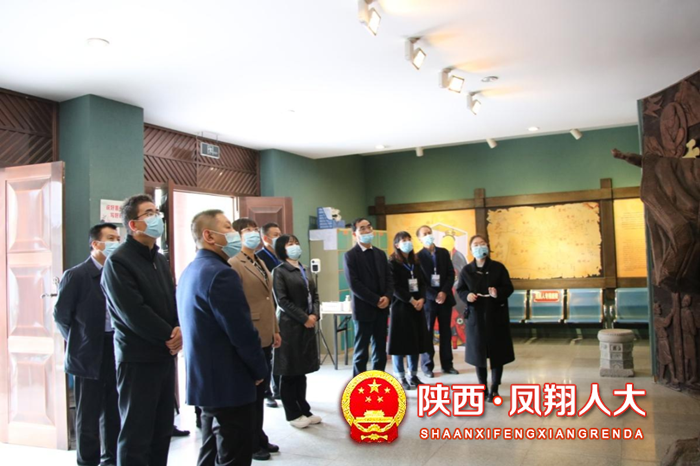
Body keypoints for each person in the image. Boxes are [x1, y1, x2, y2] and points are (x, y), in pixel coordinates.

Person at [177, 209, 268, 466]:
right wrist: (258, 368)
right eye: (228, 227)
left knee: (210, 448)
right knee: (233, 452)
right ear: (209, 235)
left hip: (206, 378)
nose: (234, 233)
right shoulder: (221, 274)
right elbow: (241, 331)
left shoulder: (192, 270)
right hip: (228, 380)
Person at [101, 194, 182, 466]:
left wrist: (178, 328)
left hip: (163, 356)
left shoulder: (159, 259)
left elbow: (172, 300)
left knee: (161, 430)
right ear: (133, 225)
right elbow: (133, 312)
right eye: (149, 213)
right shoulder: (118, 262)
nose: (157, 217)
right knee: (137, 434)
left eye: (157, 212)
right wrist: (169, 335)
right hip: (137, 358)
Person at [54, 223, 121, 466]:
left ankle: (111, 459)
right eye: (111, 238)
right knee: (88, 413)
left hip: (114, 346)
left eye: (118, 238)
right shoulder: (76, 275)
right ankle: (87, 461)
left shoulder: (117, 272)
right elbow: (61, 316)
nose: (116, 242)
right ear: (95, 244)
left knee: (113, 409)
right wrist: (78, 340)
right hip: (86, 350)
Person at [229, 218, 281, 461]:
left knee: (261, 391)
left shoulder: (259, 260)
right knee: (252, 392)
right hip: (251, 332)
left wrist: (275, 329)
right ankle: (250, 442)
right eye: (247, 231)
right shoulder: (234, 262)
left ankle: (259, 435)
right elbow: (237, 304)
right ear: (237, 235)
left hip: (266, 330)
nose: (253, 234)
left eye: (254, 230)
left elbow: (269, 299)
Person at [456, 234, 515, 403]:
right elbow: (460, 290)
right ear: (471, 249)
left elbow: (509, 287)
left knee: (497, 354)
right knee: (478, 354)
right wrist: (467, 296)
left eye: (482, 243)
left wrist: (498, 292)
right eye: (476, 244)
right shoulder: (467, 270)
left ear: (487, 247)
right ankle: (482, 387)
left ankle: (494, 388)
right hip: (476, 316)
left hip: (496, 315)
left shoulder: (498, 267)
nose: (479, 246)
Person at [271, 234, 322, 428]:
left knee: (301, 371)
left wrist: (314, 315)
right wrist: (304, 318)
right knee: (289, 371)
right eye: (290, 244)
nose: (295, 246)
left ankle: (304, 409)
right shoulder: (279, 271)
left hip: (307, 325)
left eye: (296, 243)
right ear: (282, 249)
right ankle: (292, 413)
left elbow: (315, 295)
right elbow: (282, 301)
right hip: (289, 326)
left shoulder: (304, 269)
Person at [344, 218, 394, 376]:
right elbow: (354, 284)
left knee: (380, 350)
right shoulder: (350, 256)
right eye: (362, 228)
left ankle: (378, 381)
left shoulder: (380, 253)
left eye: (368, 227)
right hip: (363, 309)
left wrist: (387, 297)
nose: (367, 231)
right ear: (355, 234)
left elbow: (389, 278)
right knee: (361, 351)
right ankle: (358, 384)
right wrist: (376, 299)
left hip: (382, 309)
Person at [387, 231, 431, 390]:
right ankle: (400, 376)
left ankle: (413, 375)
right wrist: (411, 300)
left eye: (409, 239)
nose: (407, 242)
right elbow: (394, 287)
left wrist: (422, 299)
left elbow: (423, 283)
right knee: (400, 344)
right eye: (403, 240)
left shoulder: (415, 262)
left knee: (415, 342)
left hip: (417, 307)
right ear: (397, 244)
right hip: (401, 307)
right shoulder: (392, 262)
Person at [415, 225, 459, 378]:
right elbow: (420, 282)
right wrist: (434, 295)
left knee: (446, 332)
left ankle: (447, 365)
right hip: (429, 301)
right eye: (424, 234)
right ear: (419, 239)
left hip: (445, 298)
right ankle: (427, 366)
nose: (428, 235)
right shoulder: (417, 257)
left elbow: (450, 274)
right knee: (427, 333)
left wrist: (444, 292)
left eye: (429, 233)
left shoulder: (443, 253)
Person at [256, 222, 283, 407]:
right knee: (268, 353)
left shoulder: (282, 256)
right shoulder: (260, 258)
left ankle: (279, 387)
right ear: (265, 238)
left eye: (280, 234)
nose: (279, 237)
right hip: (268, 309)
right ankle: (267, 392)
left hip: (282, 311)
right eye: (275, 235)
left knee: (280, 353)